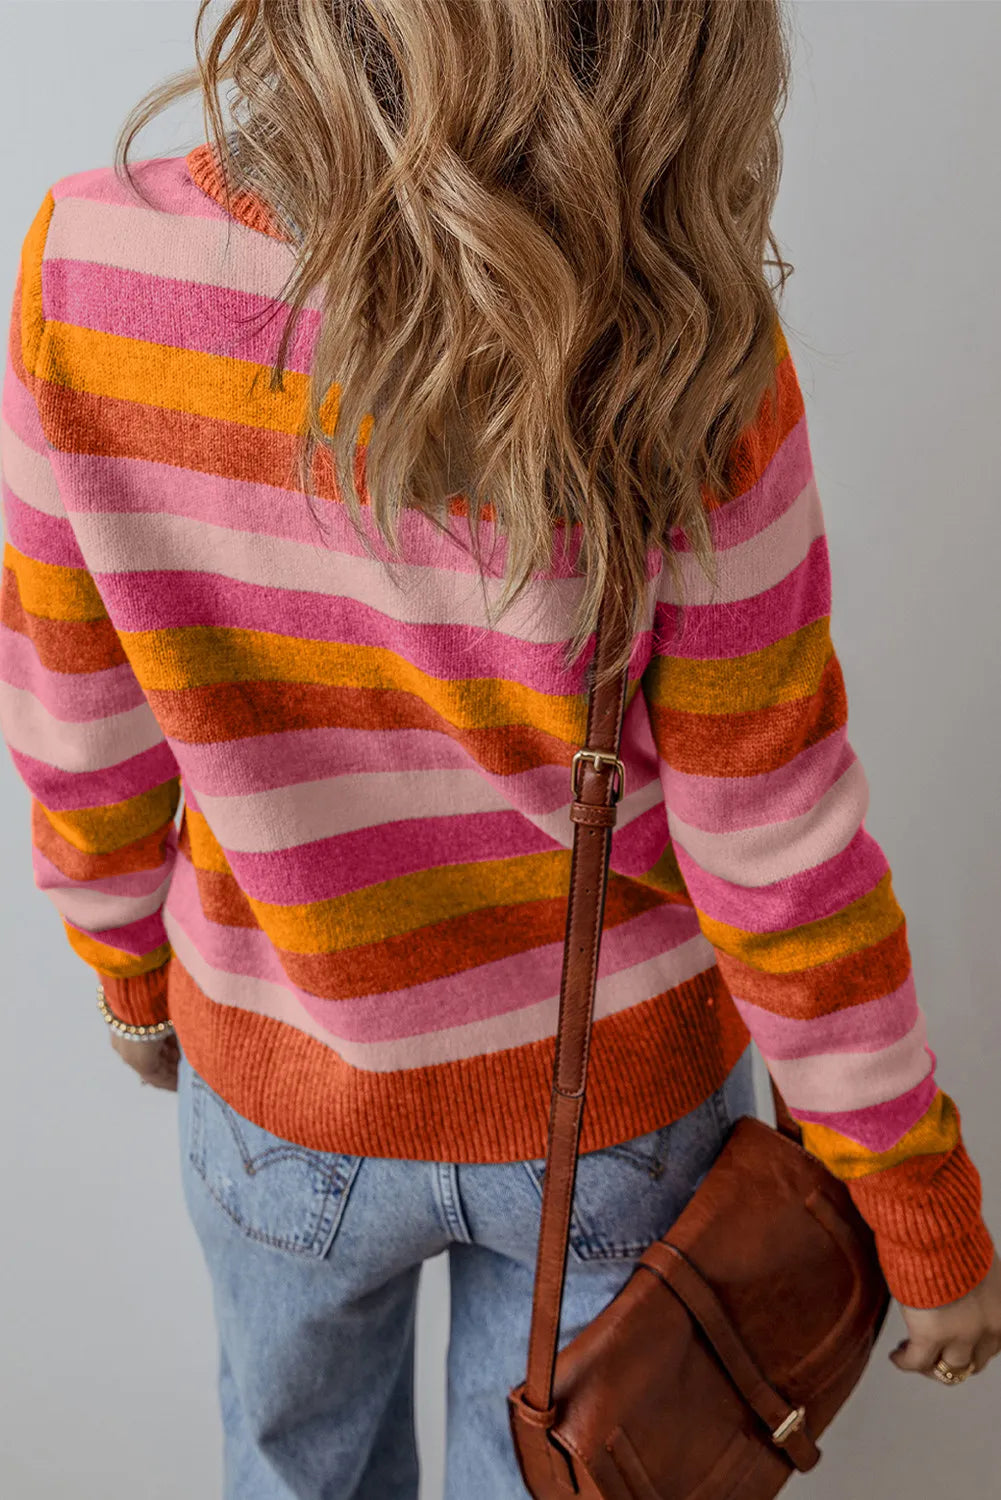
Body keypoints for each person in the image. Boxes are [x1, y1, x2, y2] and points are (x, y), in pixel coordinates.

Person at [2, 2, 999, 1496]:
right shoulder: (687, 351)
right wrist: (908, 1191)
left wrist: (128, 971)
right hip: (610, 1110)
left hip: (278, 1082)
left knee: (291, 1475)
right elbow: (773, 837)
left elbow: (76, 718)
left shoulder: (91, 269)